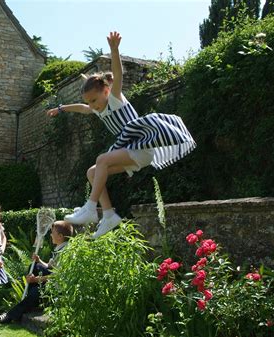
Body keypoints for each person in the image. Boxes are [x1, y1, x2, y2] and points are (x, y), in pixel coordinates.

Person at [46, 31, 196, 238]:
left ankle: (90, 207)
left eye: (94, 101)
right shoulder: (98, 109)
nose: (92, 106)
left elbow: (118, 74)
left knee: (102, 159)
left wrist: (114, 51)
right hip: (130, 152)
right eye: (90, 102)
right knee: (92, 172)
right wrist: (62, 108)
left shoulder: (115, 99)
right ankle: (108, 215)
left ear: (106, 92)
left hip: (140, 148)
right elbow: (82, 108)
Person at [0, 220, 74, 324]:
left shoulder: (65, 251)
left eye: (53, 232)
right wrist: (39, 260)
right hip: (52, 279)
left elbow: (57, 275)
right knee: (35, 266)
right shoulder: (60, 247)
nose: (50, 235)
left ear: (60, 236)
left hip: (58, 286)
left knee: (35, 291)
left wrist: (36, 280)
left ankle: (9, 316)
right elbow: (50, 267)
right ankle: (32, 300)